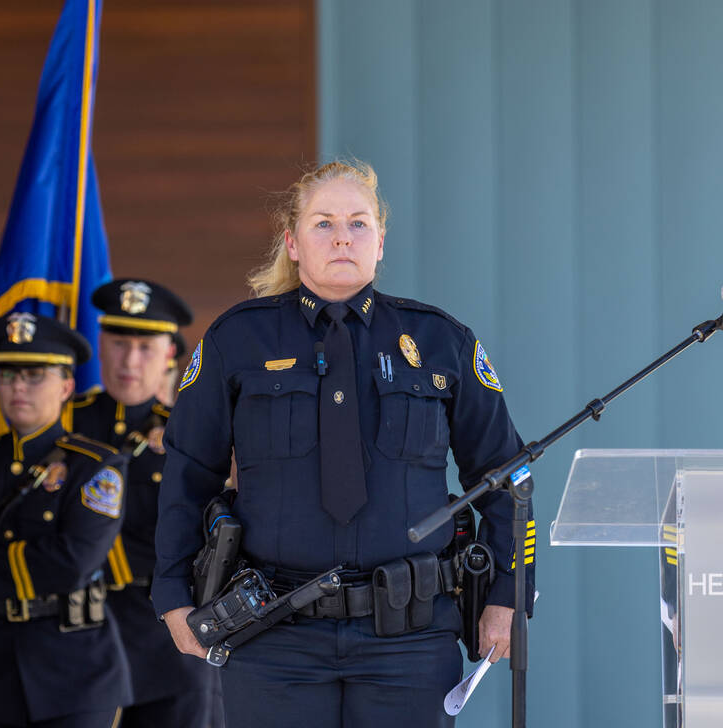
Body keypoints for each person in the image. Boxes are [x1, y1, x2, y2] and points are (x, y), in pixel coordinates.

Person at [153, 161, 536, 727]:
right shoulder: (238, 339)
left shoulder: (440, 341)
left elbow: (508, 476)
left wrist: (508, 594)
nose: (341, 237)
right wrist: (171, 595)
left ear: (380, 242)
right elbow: (188, 473)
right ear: (292, 242)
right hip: (272, 638)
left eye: (358, 224)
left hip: (409, 638)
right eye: (323, 223)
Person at [0, 311, 133, 728]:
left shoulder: (96, 467)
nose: (18, 387)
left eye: (34, 376)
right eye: (8, 375)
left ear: (66, 386)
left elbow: (74, 561)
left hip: (75, 671)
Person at [67, 280, 221, 728]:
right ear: (100, 344)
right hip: (75, 633)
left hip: (166, 634)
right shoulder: (64, 425)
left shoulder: (189, 437)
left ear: (170, 355)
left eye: (145, 347)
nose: (129, 361)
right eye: (118, 344)